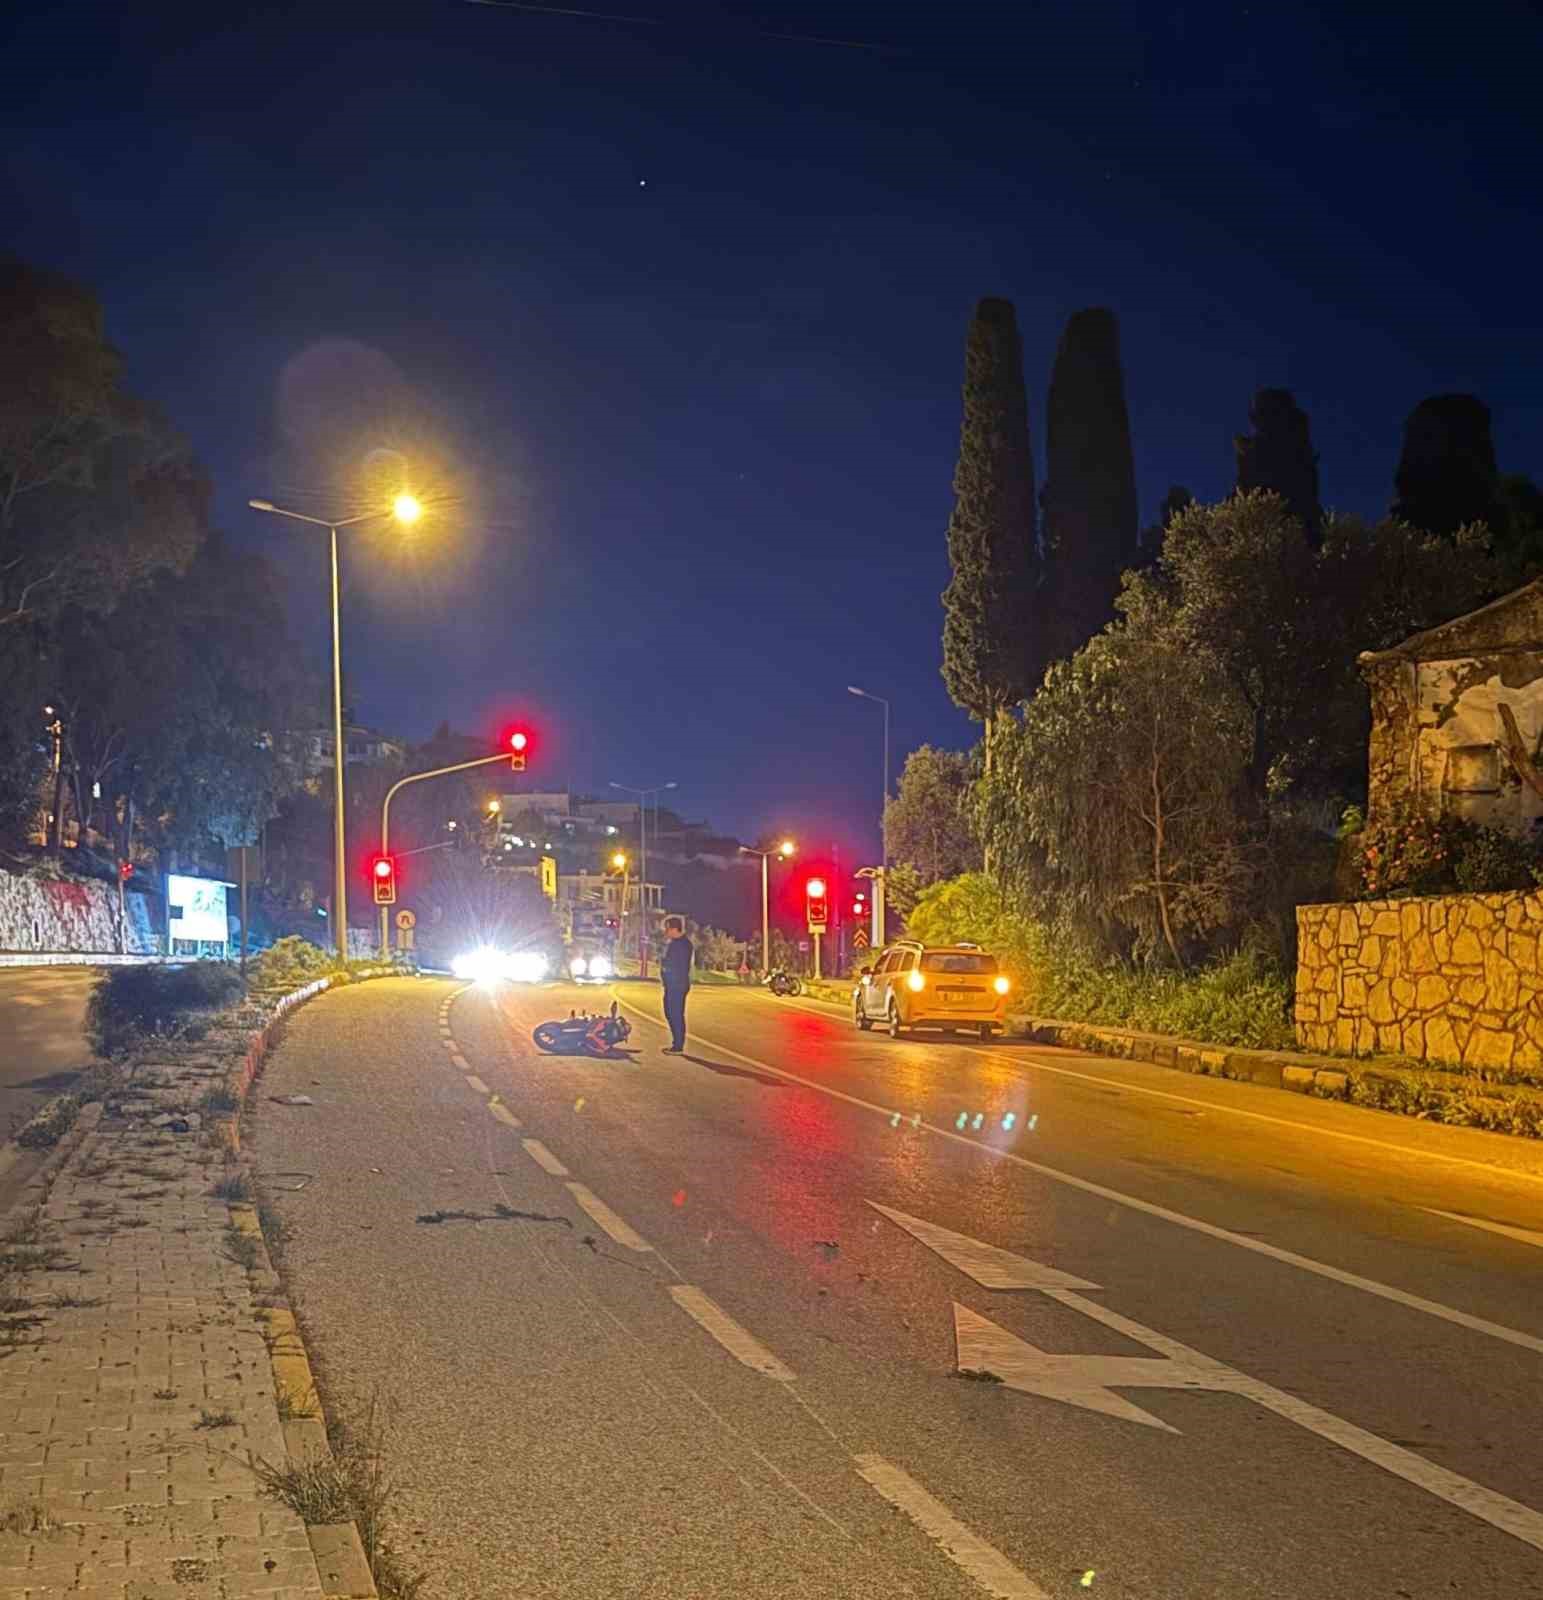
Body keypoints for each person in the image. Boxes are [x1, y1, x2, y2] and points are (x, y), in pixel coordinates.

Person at [660, 916, 692, 1054]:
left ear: (674, 928)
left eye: (667, 928)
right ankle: (676, 1042)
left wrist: (666, 966)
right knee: (669, 1012)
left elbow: (679, 965)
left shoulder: (684, 944)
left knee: (676, 1014)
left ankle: (678, 1045)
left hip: (678, 985)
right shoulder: (674, 943)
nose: (665, 931)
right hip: (671, 984)